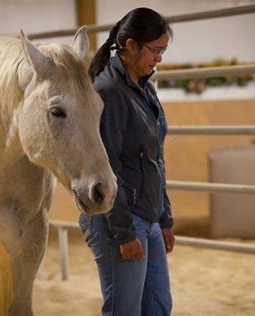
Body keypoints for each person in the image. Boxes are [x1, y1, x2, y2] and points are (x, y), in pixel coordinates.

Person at [79, 7, 174, 316]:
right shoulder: (108, 91)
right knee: (125, 310)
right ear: (131, 45)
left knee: (159, 306)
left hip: (147, 215)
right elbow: (108, 167)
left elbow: (155, 158)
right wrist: (124, 232)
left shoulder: (144, 87)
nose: (159, 58)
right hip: (118, 218)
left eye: (163, 51)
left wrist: (164, 218)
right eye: (155, 50)